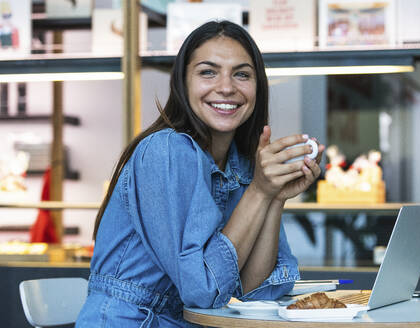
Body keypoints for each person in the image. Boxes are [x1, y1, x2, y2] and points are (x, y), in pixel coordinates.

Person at [76, 20, 324, 327]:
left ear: (257, 86)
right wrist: (259, 191)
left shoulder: (240, 163)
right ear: (183, 82)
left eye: (242, 74)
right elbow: (203, 289)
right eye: (208, 71)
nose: (226, 87)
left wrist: (273, 196)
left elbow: (252, 288)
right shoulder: (166, 150)